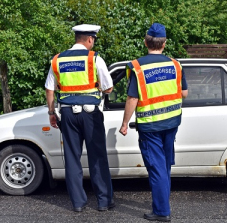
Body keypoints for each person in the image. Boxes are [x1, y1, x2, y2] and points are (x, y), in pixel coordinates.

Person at [119, 23, 188, 222]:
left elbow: (132, 99)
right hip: (171, 123)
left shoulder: (138, 67)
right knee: (164, 165)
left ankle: (161, 211)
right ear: (164, 44)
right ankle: (162, 203)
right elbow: (183, 93)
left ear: (145, 42)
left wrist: (125, 123)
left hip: (150, 125)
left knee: (157, 168)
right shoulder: (175, 65)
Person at [45, 24, 114, 212]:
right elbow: (108, 88)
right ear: (90, 39)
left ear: (77, 38)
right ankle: (103, 201)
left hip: (67, 114)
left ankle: (78, 203)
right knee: (97, 156)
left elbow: (50, 89)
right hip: (91, 114)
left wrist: (52, 113)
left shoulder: (57, 60)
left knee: (72, 157)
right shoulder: (94, 59)